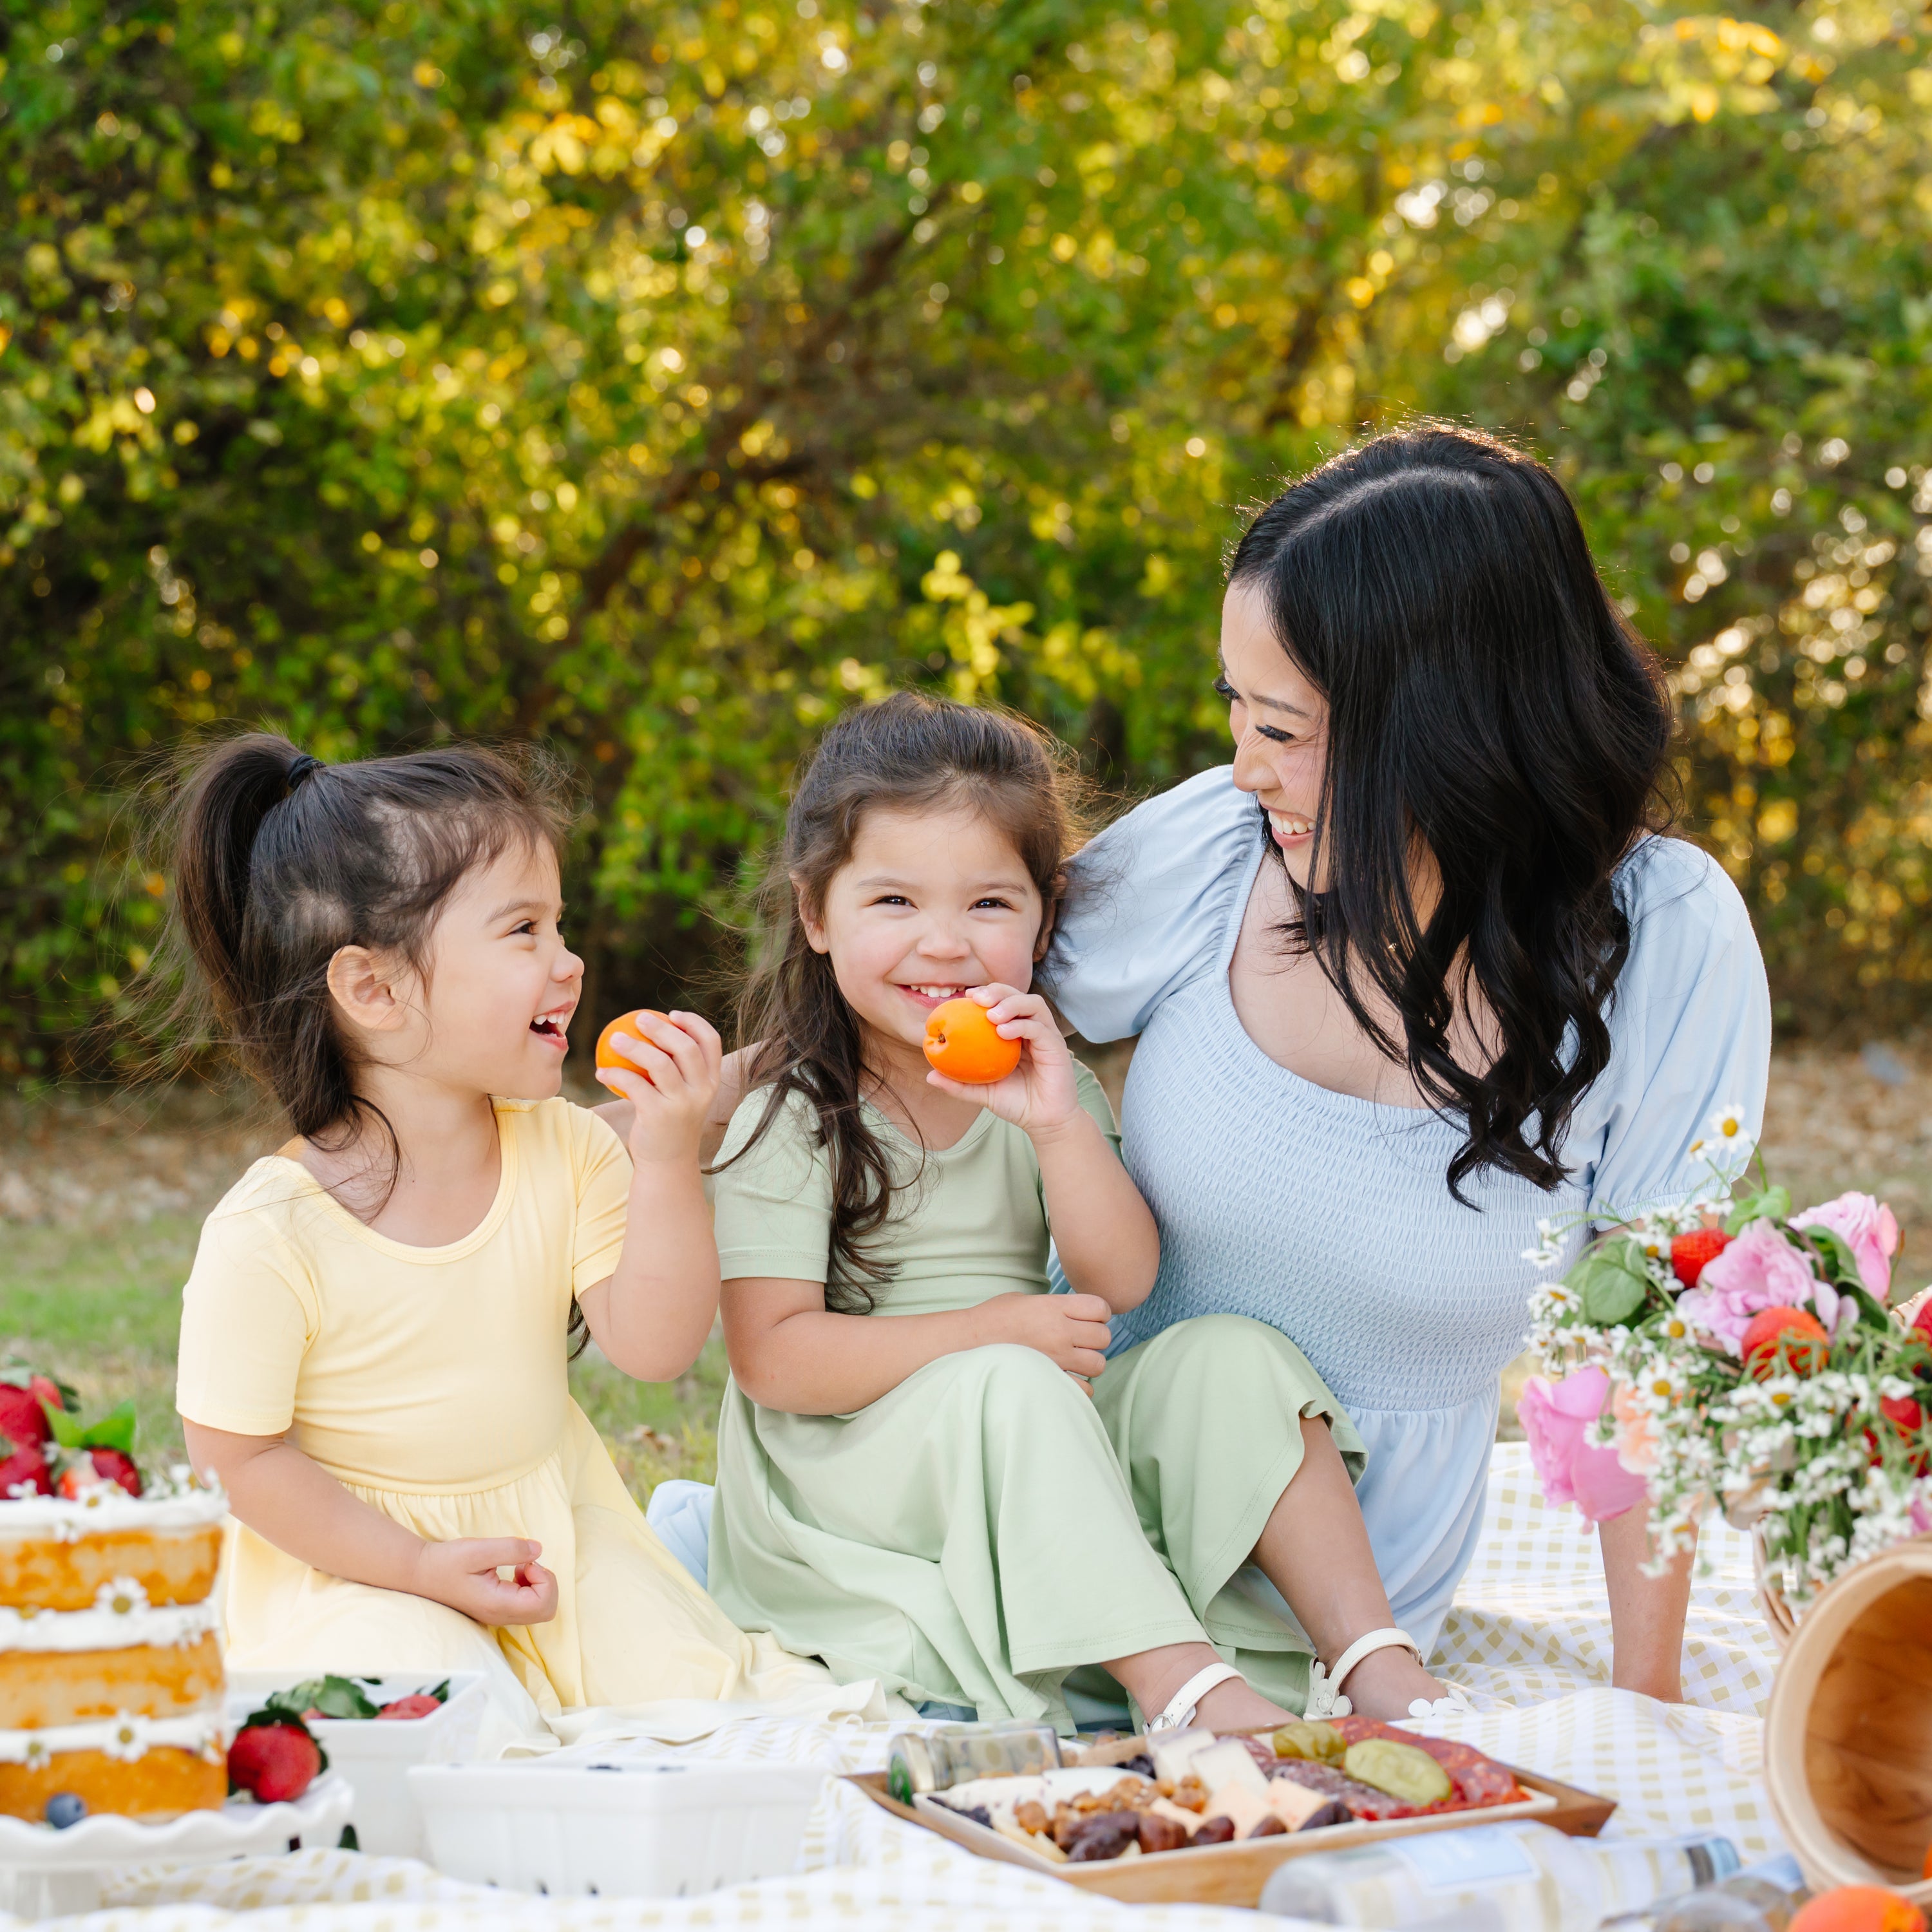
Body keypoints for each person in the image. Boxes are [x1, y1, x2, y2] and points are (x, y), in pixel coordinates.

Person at [1039, 424, 1772, 1700]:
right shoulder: (1220, 853)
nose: (1244, 765)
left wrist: (1646, 1707)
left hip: (1364, 1616)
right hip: (1092, 1516)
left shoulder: (1664, 942)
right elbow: (926, 1008)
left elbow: (1652, 1354)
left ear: (1447, 732)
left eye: (1285, 726)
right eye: (1237, 711)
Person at [688, 691, 1462, 1732]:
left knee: (1234, 1356)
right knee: (1012, 1382)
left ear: (1044, 916)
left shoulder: (1043, 1088)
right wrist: (990, 1333)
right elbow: (774, 1362)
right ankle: (1184, 1691)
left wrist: (1055, 1126)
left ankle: (1373, 1661)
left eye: (990, 905)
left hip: (1021, 1418)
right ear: (817, 916)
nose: (945, 944)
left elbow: (1124, 1282)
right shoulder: (795, 1114)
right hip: (851, 1468)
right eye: (894, 903)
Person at [166, 734, 832, 1743]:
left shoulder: (566, 1150)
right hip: (358, 1564)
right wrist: (421, 1569)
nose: (568, 963)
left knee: (700, 1698)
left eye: (559, 925)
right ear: (374, 989)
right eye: (523, 929)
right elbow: (240, 1461)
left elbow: (653, 1351)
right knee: (437, 1705)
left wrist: (664, 1156)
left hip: (551, 1536)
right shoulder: (273, 1232)